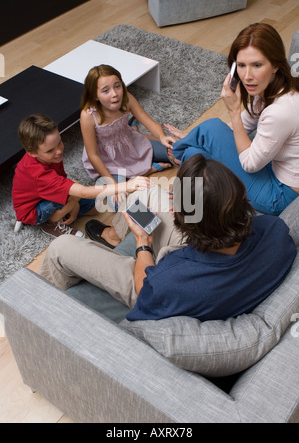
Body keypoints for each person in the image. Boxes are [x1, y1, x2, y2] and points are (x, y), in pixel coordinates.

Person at [39, 154, 296, 322]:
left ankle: (43, 312)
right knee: (145, 195)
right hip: (215, 245)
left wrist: (143, 244)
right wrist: (187, 208)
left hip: (153, 277)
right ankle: (114, 235)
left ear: (184, 220)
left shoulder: (172, 277)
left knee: (61, 247)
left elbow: (145, 289)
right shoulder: (275, 230)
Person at [166, 23, 299, 216]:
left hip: (279, 195)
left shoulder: (280, 110)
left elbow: (249, 164)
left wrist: (234, 110)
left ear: (276, 65)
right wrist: (196, 136)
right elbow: (243, 125)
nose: (247, 76)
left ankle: (175, 152)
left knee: (210, 128)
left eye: (257, 65)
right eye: (242, 66)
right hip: (275, 169)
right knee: (195, 151)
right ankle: (183, 159)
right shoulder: (271, 88)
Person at [12, 114, 152, 238]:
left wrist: (75, 206)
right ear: (32, 153)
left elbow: (63, 178)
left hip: (43, 193)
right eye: (50, 150)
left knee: (95, 208)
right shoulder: (39, 174)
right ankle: (49, 224)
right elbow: (83, 192)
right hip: (33, 210)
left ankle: (66, 210)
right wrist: (126, 185)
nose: (59, 151)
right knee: (77, 192)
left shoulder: (50, 157)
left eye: (59, 142)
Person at [80, 64, 176, 208]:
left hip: (131, 143)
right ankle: (149, 170)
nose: (114, 94)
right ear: (95, 95)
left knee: (178, 149)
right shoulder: (88, 115)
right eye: (105, 90)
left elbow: (148, 122)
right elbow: (93, 155)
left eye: (117, 86)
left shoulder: (127, 98)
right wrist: (114, 186)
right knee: (119, 202)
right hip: (108, 160)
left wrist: (162, 137)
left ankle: (181, 196)